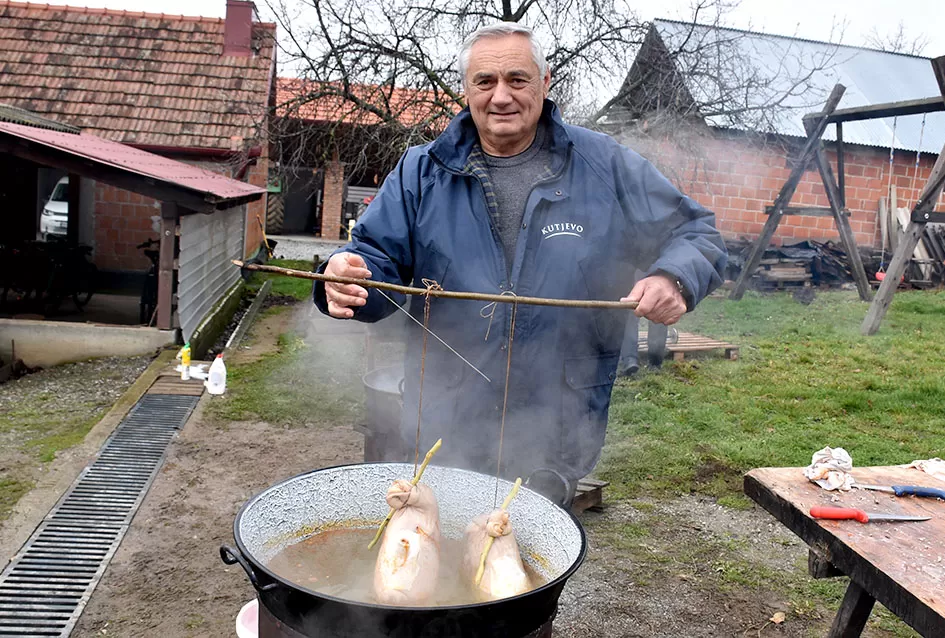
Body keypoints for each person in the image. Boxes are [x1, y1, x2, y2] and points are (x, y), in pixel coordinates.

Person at [315, 23, 727, 505]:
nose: (501, 96)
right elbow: (375, 260)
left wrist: (673, 277)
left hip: (558, 425)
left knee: (526, 563)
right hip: (444, 418)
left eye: (518, 79)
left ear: (546, 82)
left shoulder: (604, 164)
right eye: (485, 82)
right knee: (433, 558)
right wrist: (346, 279)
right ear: (466, 89)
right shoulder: (421, 172)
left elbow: (697, 233)